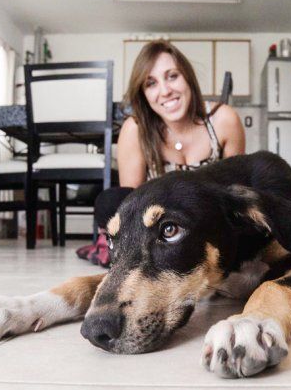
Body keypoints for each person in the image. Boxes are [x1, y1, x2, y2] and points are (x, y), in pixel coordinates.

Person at [78, 40, 245, 266]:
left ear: (188, 77)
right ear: (143, 93)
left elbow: (235, 194)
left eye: (172, 76)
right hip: (156, 233)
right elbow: (132, 207)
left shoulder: (224, 120)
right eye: (151, 83)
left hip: (206, 226)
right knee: (112, 201)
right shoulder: (135, 128)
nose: (165, 91)